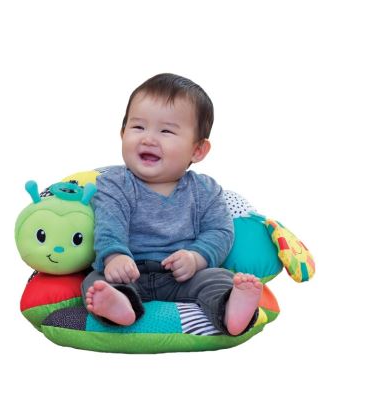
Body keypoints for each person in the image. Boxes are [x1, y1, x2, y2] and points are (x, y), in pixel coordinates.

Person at [81, 73, 262, 336]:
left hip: (184, 276)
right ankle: (119, 305)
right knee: (95, 282)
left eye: (166, 131)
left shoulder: (205, 190)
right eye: (138, 127)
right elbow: (109, 225)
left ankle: (231, 309)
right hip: (130, 273)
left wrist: (196, 257)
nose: (148, 139)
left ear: (197, 150)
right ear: (122, 133)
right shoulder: (114, 183)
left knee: (219, 278)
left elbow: (221, 232)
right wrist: (115, 257)